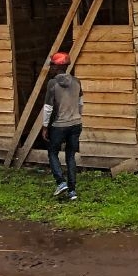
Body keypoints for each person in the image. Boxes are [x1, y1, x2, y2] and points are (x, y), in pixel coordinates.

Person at [41, 52, 82, 202]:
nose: (50, 68)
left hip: (59, 125)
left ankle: (60, 182)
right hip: (76, 124)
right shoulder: (77, 82)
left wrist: (45, 127)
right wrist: (77, 116)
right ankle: (72, 191)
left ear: (58, 67)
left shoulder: (52, 83)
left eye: (52, 65)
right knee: (70, 156)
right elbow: (80, 103)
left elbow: (48, 107)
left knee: (52, 152)